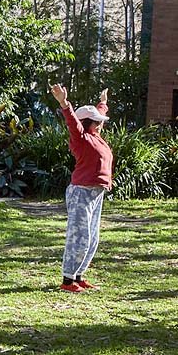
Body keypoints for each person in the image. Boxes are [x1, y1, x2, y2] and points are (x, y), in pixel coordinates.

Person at [50, 83, 113, 293]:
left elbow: (100, 112)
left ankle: (79, 275)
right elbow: (72, 122)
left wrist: (103, 102)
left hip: (96, 192)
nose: (101, 125)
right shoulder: (81, 138)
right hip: (81, 192)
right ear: (88, 123)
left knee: (92, 237)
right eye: (96, 122)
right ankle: (67, 281)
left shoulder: (95, 136)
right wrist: (63, 102)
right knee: (79, 237)